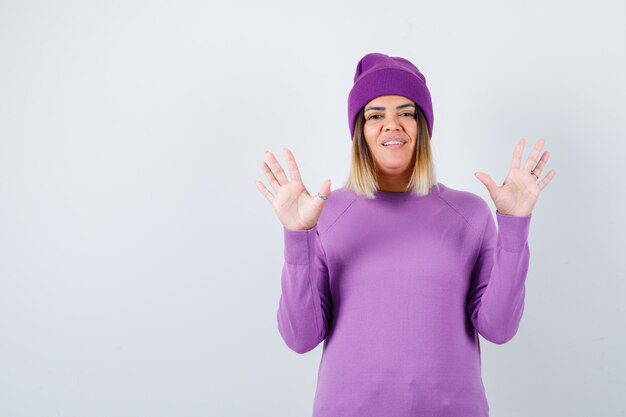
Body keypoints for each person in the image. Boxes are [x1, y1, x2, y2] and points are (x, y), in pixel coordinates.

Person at [255, 52, 555, 417]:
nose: (391, 125)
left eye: (406, 113)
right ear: (360, 133)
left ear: (423, 128)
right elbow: (300, 337)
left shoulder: (469, 214)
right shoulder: (326, 213)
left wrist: (514, 224)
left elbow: (500, 328)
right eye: (375, 115)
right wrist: (296, 234)